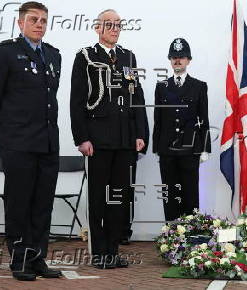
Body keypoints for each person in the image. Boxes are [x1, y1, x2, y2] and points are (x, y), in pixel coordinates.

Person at [0, 1, 62, 281]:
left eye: (43, 20)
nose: (39, 24)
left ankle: (38, 258)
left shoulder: (53, 55)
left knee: (42, 203)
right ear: (20, 23)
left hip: (48, 143)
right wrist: (3, 128)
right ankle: (19, 260)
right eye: (34, 19)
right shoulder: (4, 53)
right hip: (17, 142)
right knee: (19, 203)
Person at [70, 9, 148, 269]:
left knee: (118, 197)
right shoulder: (85, 57)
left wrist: (140, 133)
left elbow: (137, 97)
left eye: (117, 25)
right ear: (97, 28)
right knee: (98, 198)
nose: (114, 29)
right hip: (98, 140)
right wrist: (81, 138)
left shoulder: (128, 57)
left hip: (125, 140)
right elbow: (77, 100)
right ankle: (99, 252)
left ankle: (114, 250)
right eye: (109, 25)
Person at [153, 38, 211, 222]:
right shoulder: (161, 87)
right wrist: (157, 147)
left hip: (190, 149)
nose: (178, 60)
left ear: (189, 60)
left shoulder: (199, 86)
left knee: (190, 193)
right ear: (170, 60)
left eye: (182, 57)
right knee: (170, 194)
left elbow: (204, 118)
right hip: (167, 150)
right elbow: (158, 119)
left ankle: (190, 235)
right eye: (174, 57)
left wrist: (205, 148)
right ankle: (170, 236)